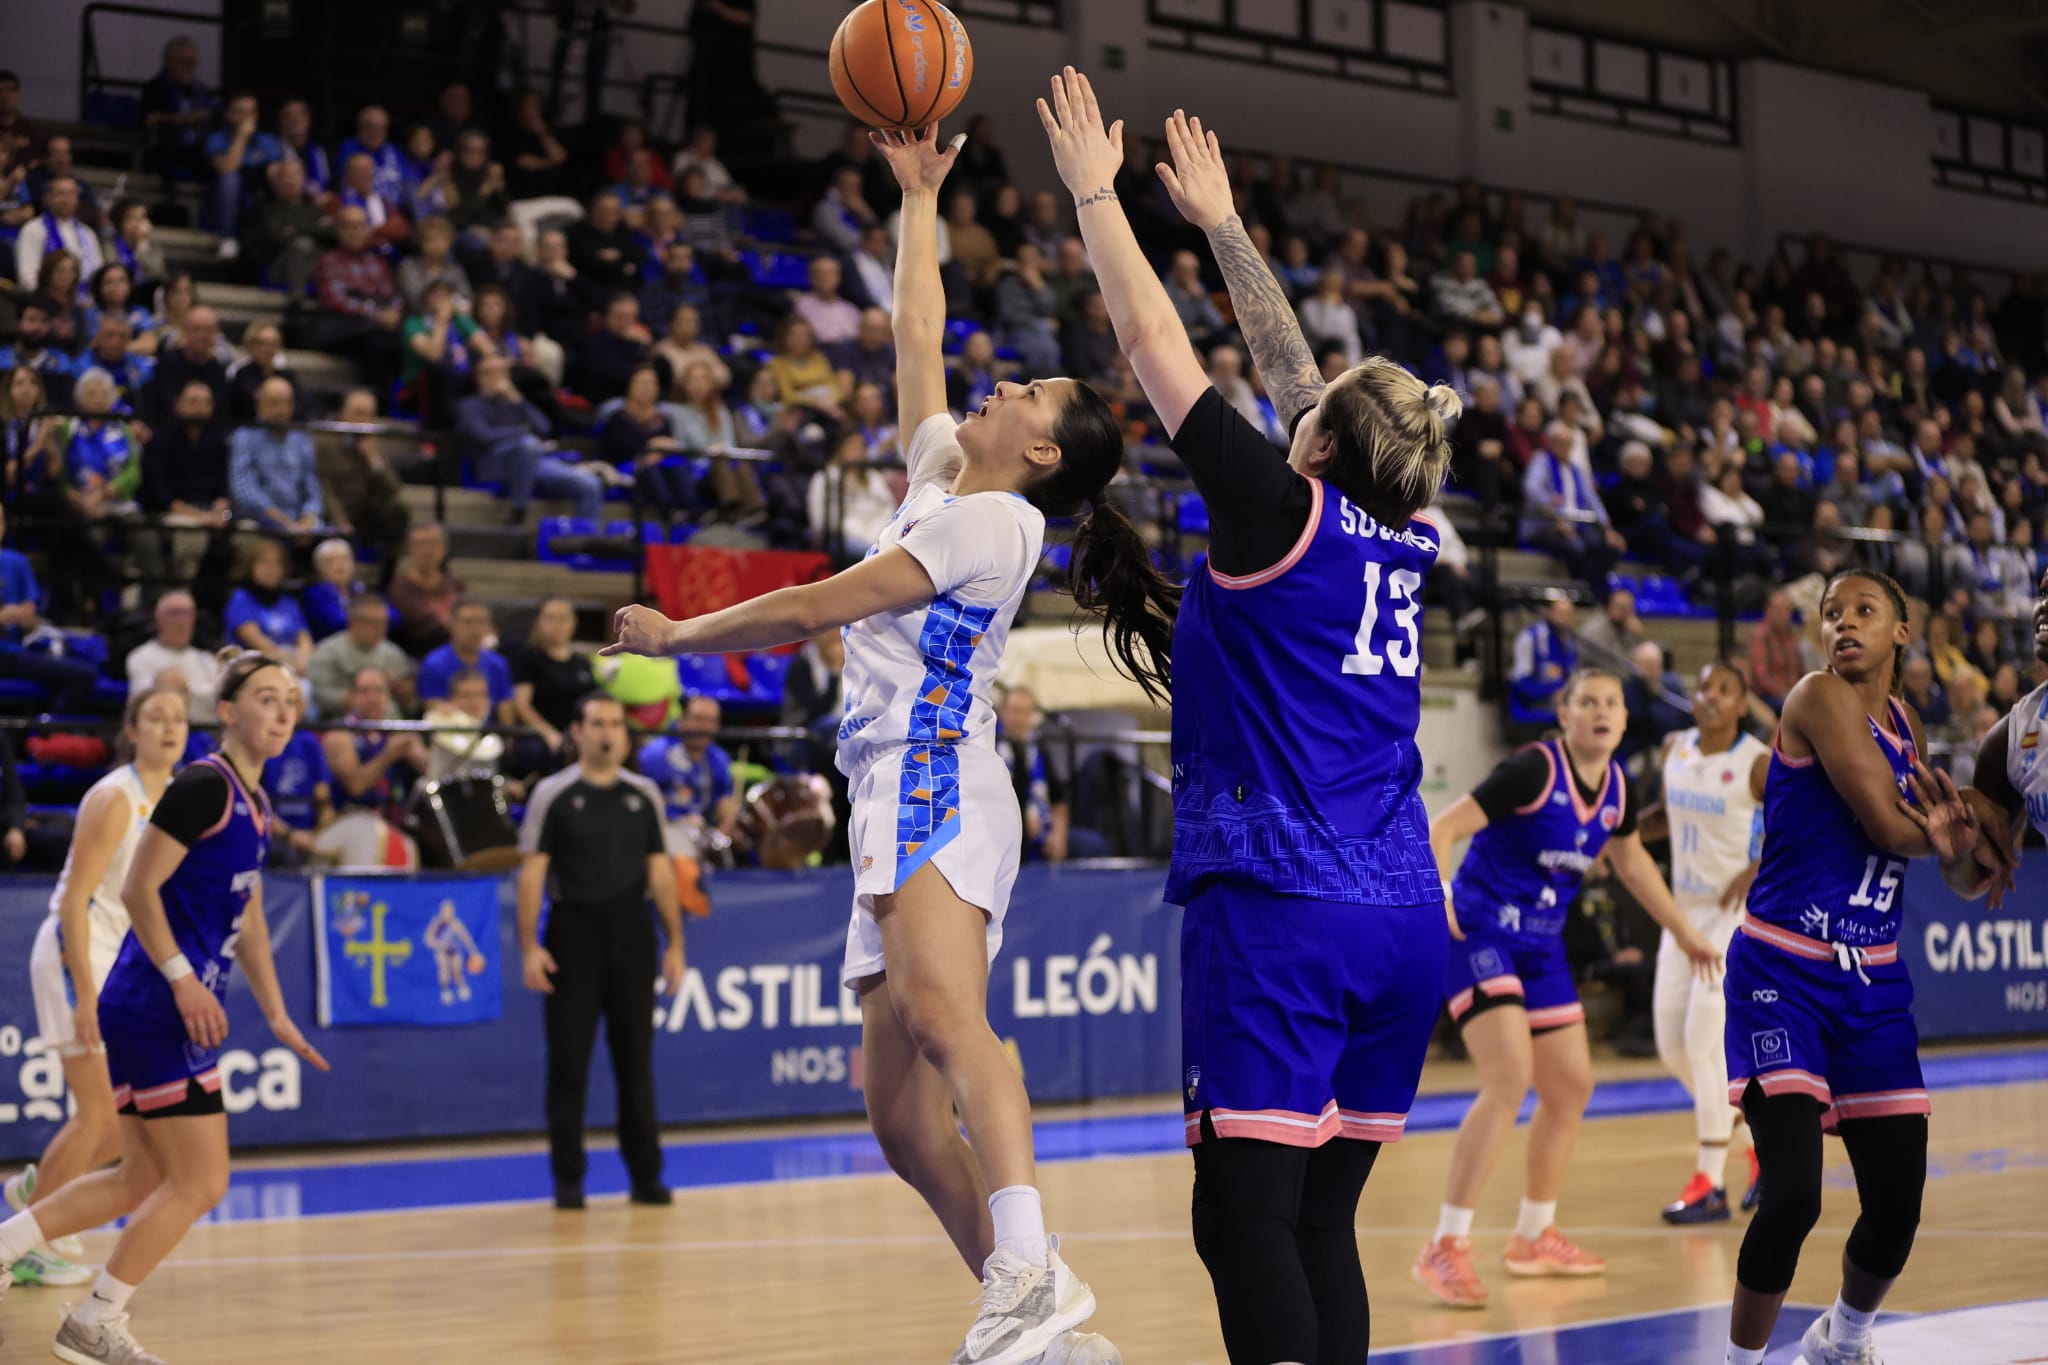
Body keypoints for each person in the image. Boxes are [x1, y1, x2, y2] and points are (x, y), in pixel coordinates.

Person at [601, 112, 1173, 1365]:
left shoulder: (995, 529)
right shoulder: (938, 486)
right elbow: (916, 335)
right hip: (881, 784)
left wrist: (676, 633)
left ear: (1038, 451)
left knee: (941, 1013)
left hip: (936, 778)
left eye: (1031, 392)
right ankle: (1037, 1321)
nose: (1004, 380)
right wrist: (916, 196)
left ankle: (1026, 1263)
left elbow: (813, 607)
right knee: (902, 1123)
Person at [1061, 91, 1442, 1362]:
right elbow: (1300, 382)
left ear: (1318, 445)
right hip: (1399, 920)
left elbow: (1149, 339)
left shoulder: (1277, 512)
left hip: (1284, 910)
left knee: (1241, 1223)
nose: (1296, 402)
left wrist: (1094, 196)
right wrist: (1225, 226)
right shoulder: (1406, 534)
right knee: (1317, 1225)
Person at [0, 650, 328, 1365]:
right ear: (230, 710)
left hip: (162, 1002)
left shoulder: (259, 802)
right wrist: (182, 978)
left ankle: (14, 1252)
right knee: (204, 1180)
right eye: (266, 698)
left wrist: (275, 1013)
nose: (281, 712)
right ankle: (94, 1320)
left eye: (290, 701)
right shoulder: (202, 789)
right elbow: (136, 889)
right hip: (155, 1001)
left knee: (137, 1176)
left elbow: (254, 925)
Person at [1721, 569, 1989, 1365]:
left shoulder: (1907, 724)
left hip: (1870, 983)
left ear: (1902, 631)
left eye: (1863, 611)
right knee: (1794, 1191)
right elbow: (1890, 823)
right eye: (1831, 612)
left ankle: (1842, 1340)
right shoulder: (1816, 695)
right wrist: (1963, 827)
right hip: (1784, 972)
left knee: (1899, 1201)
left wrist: (1975, 849)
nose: (1842, 623)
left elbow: (1954, 868)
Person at [1419, 669, 1719, 1309]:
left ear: (1624, 718)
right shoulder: (1531, 770)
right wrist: (1437, 892)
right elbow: (1441, 827)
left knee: (1571, 1086)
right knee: (1508, 1079)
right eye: (1588, 702)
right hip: (1479, 931)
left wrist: (1687, 933)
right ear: (1565, 714)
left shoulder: (1618, 788)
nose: (1602, 711)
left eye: (1612, 701)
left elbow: (1633, 864)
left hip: (1541, 943)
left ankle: (1532, 1236)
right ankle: (1446, 1245)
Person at [7, 688, 188, 1290]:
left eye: (179, 718)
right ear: (131, 730)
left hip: (120, 967)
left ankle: (39, 1194)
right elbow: (74, 904)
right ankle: (31, 1240)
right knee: (101, 1117)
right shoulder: (114, 798)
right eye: (155, 718)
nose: (169, 728)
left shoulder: (179, 798)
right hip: (75, 954)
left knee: (115, 1124)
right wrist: (84, 993)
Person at [516, 693, 683, 1208]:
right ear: (578, 731)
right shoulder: (553, 794)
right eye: (596, 723)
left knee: (636, 1062)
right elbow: (532, 874)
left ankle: (646, 1176)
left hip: (631, 930)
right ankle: (569, 1179)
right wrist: (529, 947)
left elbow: (660, 871)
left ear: (626, 735)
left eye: (615, 723)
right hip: (573, 931)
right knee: (569, 1062)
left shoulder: (643, 794)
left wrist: (674, 942)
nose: (607, 732)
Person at [1647, 663, 1770, 1224]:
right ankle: (1760, 1143)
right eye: (1703, 687)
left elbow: (1804, 824)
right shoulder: (1674, 750)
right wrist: (1611, 836)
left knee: (1704, 1043)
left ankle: (1709, 1184)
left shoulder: (1757, 763)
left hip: (1731, 917)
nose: (1711, 697)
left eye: (1724, 689)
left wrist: (1757, 866)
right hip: (1682, 913)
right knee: (1671, 1046)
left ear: (1742, 703)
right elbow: (1660, 819)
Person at [318, 665, 425, 869]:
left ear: (388, 696)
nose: (372, 697)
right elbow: (356, 786)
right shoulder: (339, 735)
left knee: (408, 845)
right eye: (364, 691)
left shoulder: (396, 733)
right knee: (370, 837)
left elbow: (432, 771)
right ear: (351, 697)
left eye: (379, 690)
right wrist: (390, 754)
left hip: (388, 821)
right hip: (344, 818)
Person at [507, 596, 593, 775]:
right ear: (539, 622)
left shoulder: (582, 663)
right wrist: (549, 734)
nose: (557, 624)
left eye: (563, 618)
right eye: (550, 618)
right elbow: (522, 706)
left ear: (573, 622)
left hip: (576, 736)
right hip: (540, 738)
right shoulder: (527, 658)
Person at [310, 592, 416, 718]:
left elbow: (409, 702)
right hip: (341, 724)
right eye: (372, 623)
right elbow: (316, 693)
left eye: (383, 623)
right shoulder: (327, 652)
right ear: (352, 622)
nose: (380, 629)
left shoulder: (393, 653)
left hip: (389, 725)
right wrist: (352, 699)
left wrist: (403, 691)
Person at [125, 591, 222, 723]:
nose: (182, 621)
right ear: (158, 618)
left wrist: (178, 688)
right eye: (175, 613)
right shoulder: (140, 657)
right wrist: (201, 694)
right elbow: (146, 702)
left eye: (188, 613)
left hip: (208, 734)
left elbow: (221, 700)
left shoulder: (207, 660)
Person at [226, 537, 315, 678]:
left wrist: (303, 664)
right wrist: (289, 664)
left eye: (276, 563)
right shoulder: (241, 598)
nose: (270, 569)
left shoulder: (288, 601)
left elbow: (304, 639)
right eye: (264, 563)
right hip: (254, 669)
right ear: (251, 566)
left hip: (293, 667)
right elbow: (255, 640)